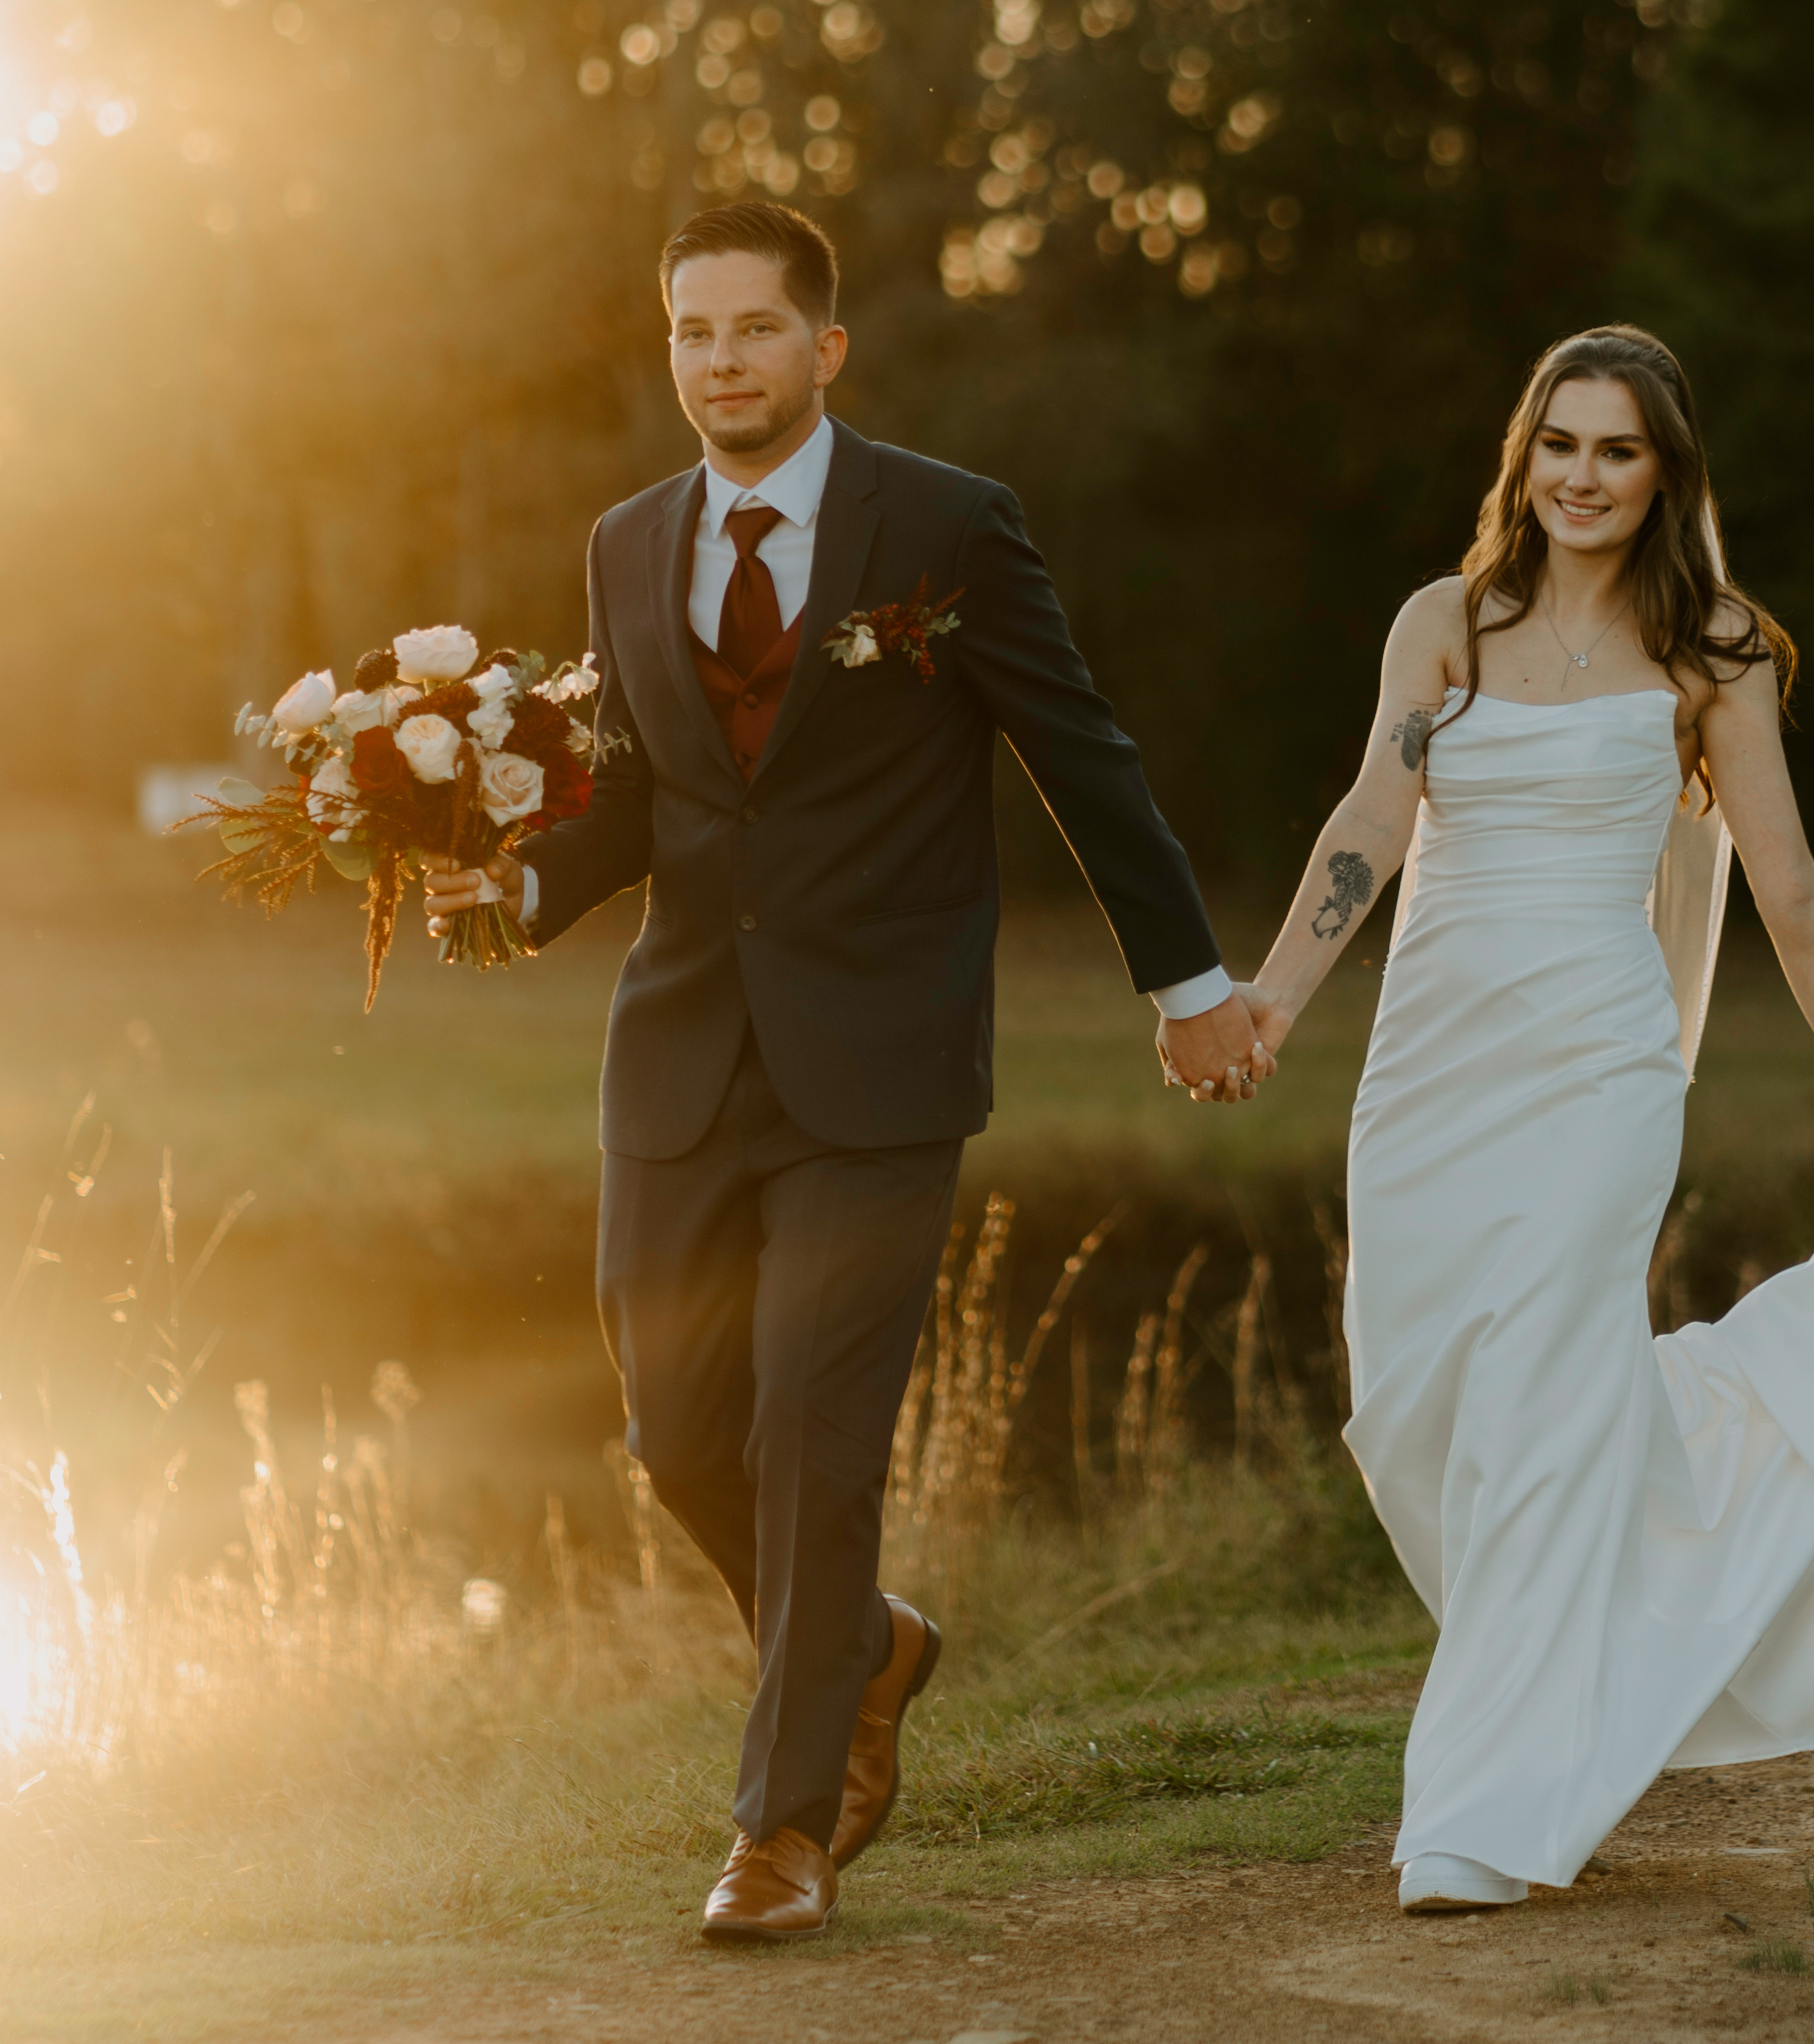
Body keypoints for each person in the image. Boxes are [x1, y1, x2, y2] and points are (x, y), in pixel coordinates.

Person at [418, 201, 1270, 1943]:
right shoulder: (625, 540)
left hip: (878, 1066)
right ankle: (868, 1645)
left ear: (825, 348)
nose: (718, 358)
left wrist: (1184, 981)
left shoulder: (944, 525)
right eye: (690, 331)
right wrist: (503, 887)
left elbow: (1077, 749)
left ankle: (780, 1828)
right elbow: (645, 792)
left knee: (814, 1428)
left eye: (750, 327)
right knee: (673, 1436)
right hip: (676, 1060)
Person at [1223, 326, 1814, 1914]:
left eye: (1616, 450)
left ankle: (1483, 1813)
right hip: (1429, 1071)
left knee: (1546, 1406)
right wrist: (1275, 1005)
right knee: (1422, 1406)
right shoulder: (1443, 624)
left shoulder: (1712, 649)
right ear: (1525, 458)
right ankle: (1622, 1631)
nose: (1581, 475)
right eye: (1558, 444)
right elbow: (1369, 817)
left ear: (1664, 473)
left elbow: (1788, 884)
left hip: (1597, 1069)